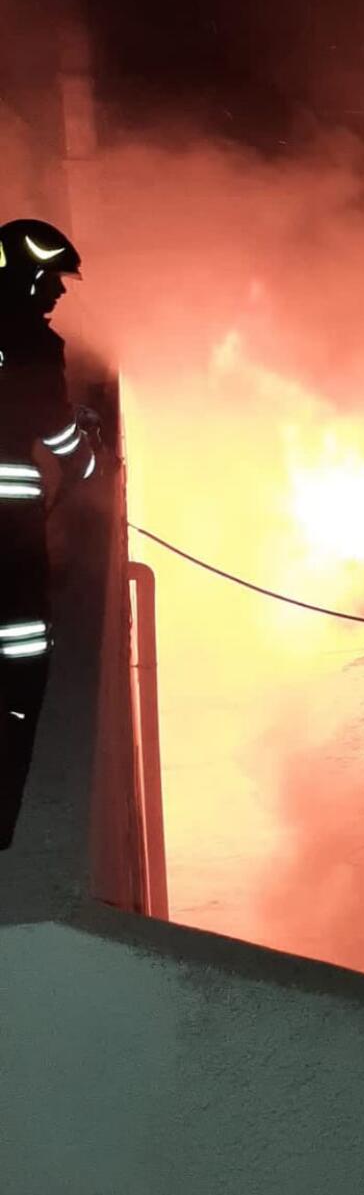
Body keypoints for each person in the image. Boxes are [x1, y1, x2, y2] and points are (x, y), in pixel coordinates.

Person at [0, 217, 98, 849]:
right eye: (53, 281)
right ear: (29, 277)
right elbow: (53, 429)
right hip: (6, 526)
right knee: (23, 643)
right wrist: (89, 454)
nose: (59, 294)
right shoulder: (31, 341)